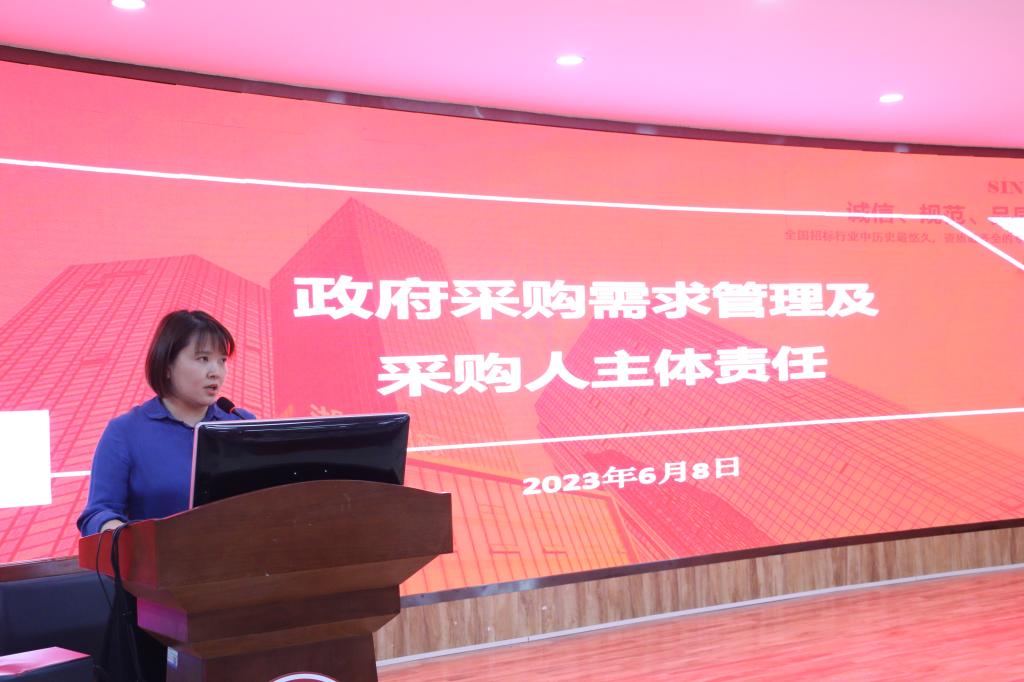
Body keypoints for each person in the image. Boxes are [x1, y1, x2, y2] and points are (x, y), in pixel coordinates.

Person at [78, 310, 254, 536]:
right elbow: (97, 514)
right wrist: (119, 533)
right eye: (203, 359)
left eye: (222, 361)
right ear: (167, 365)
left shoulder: (241, 423)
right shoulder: (125, 432)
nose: (216, 372)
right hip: (158, 557)